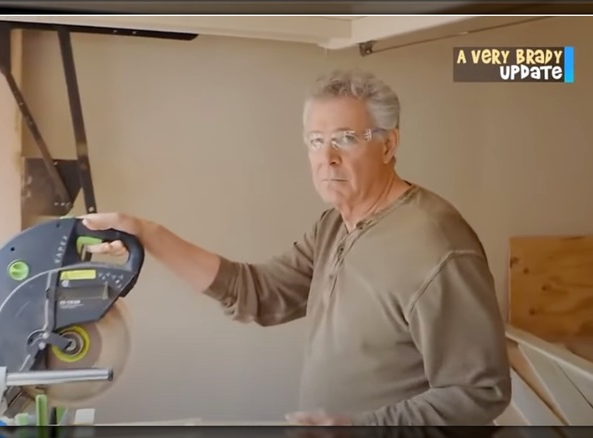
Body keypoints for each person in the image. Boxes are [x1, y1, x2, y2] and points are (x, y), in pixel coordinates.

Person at [79, 69, 511, 426]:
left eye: (345, 138)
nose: (327, 158)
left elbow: (478, 394)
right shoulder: (334, 225)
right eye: (315, 141)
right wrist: (146, 233)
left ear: (388, 144)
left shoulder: (437, 244)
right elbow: (259, 293)